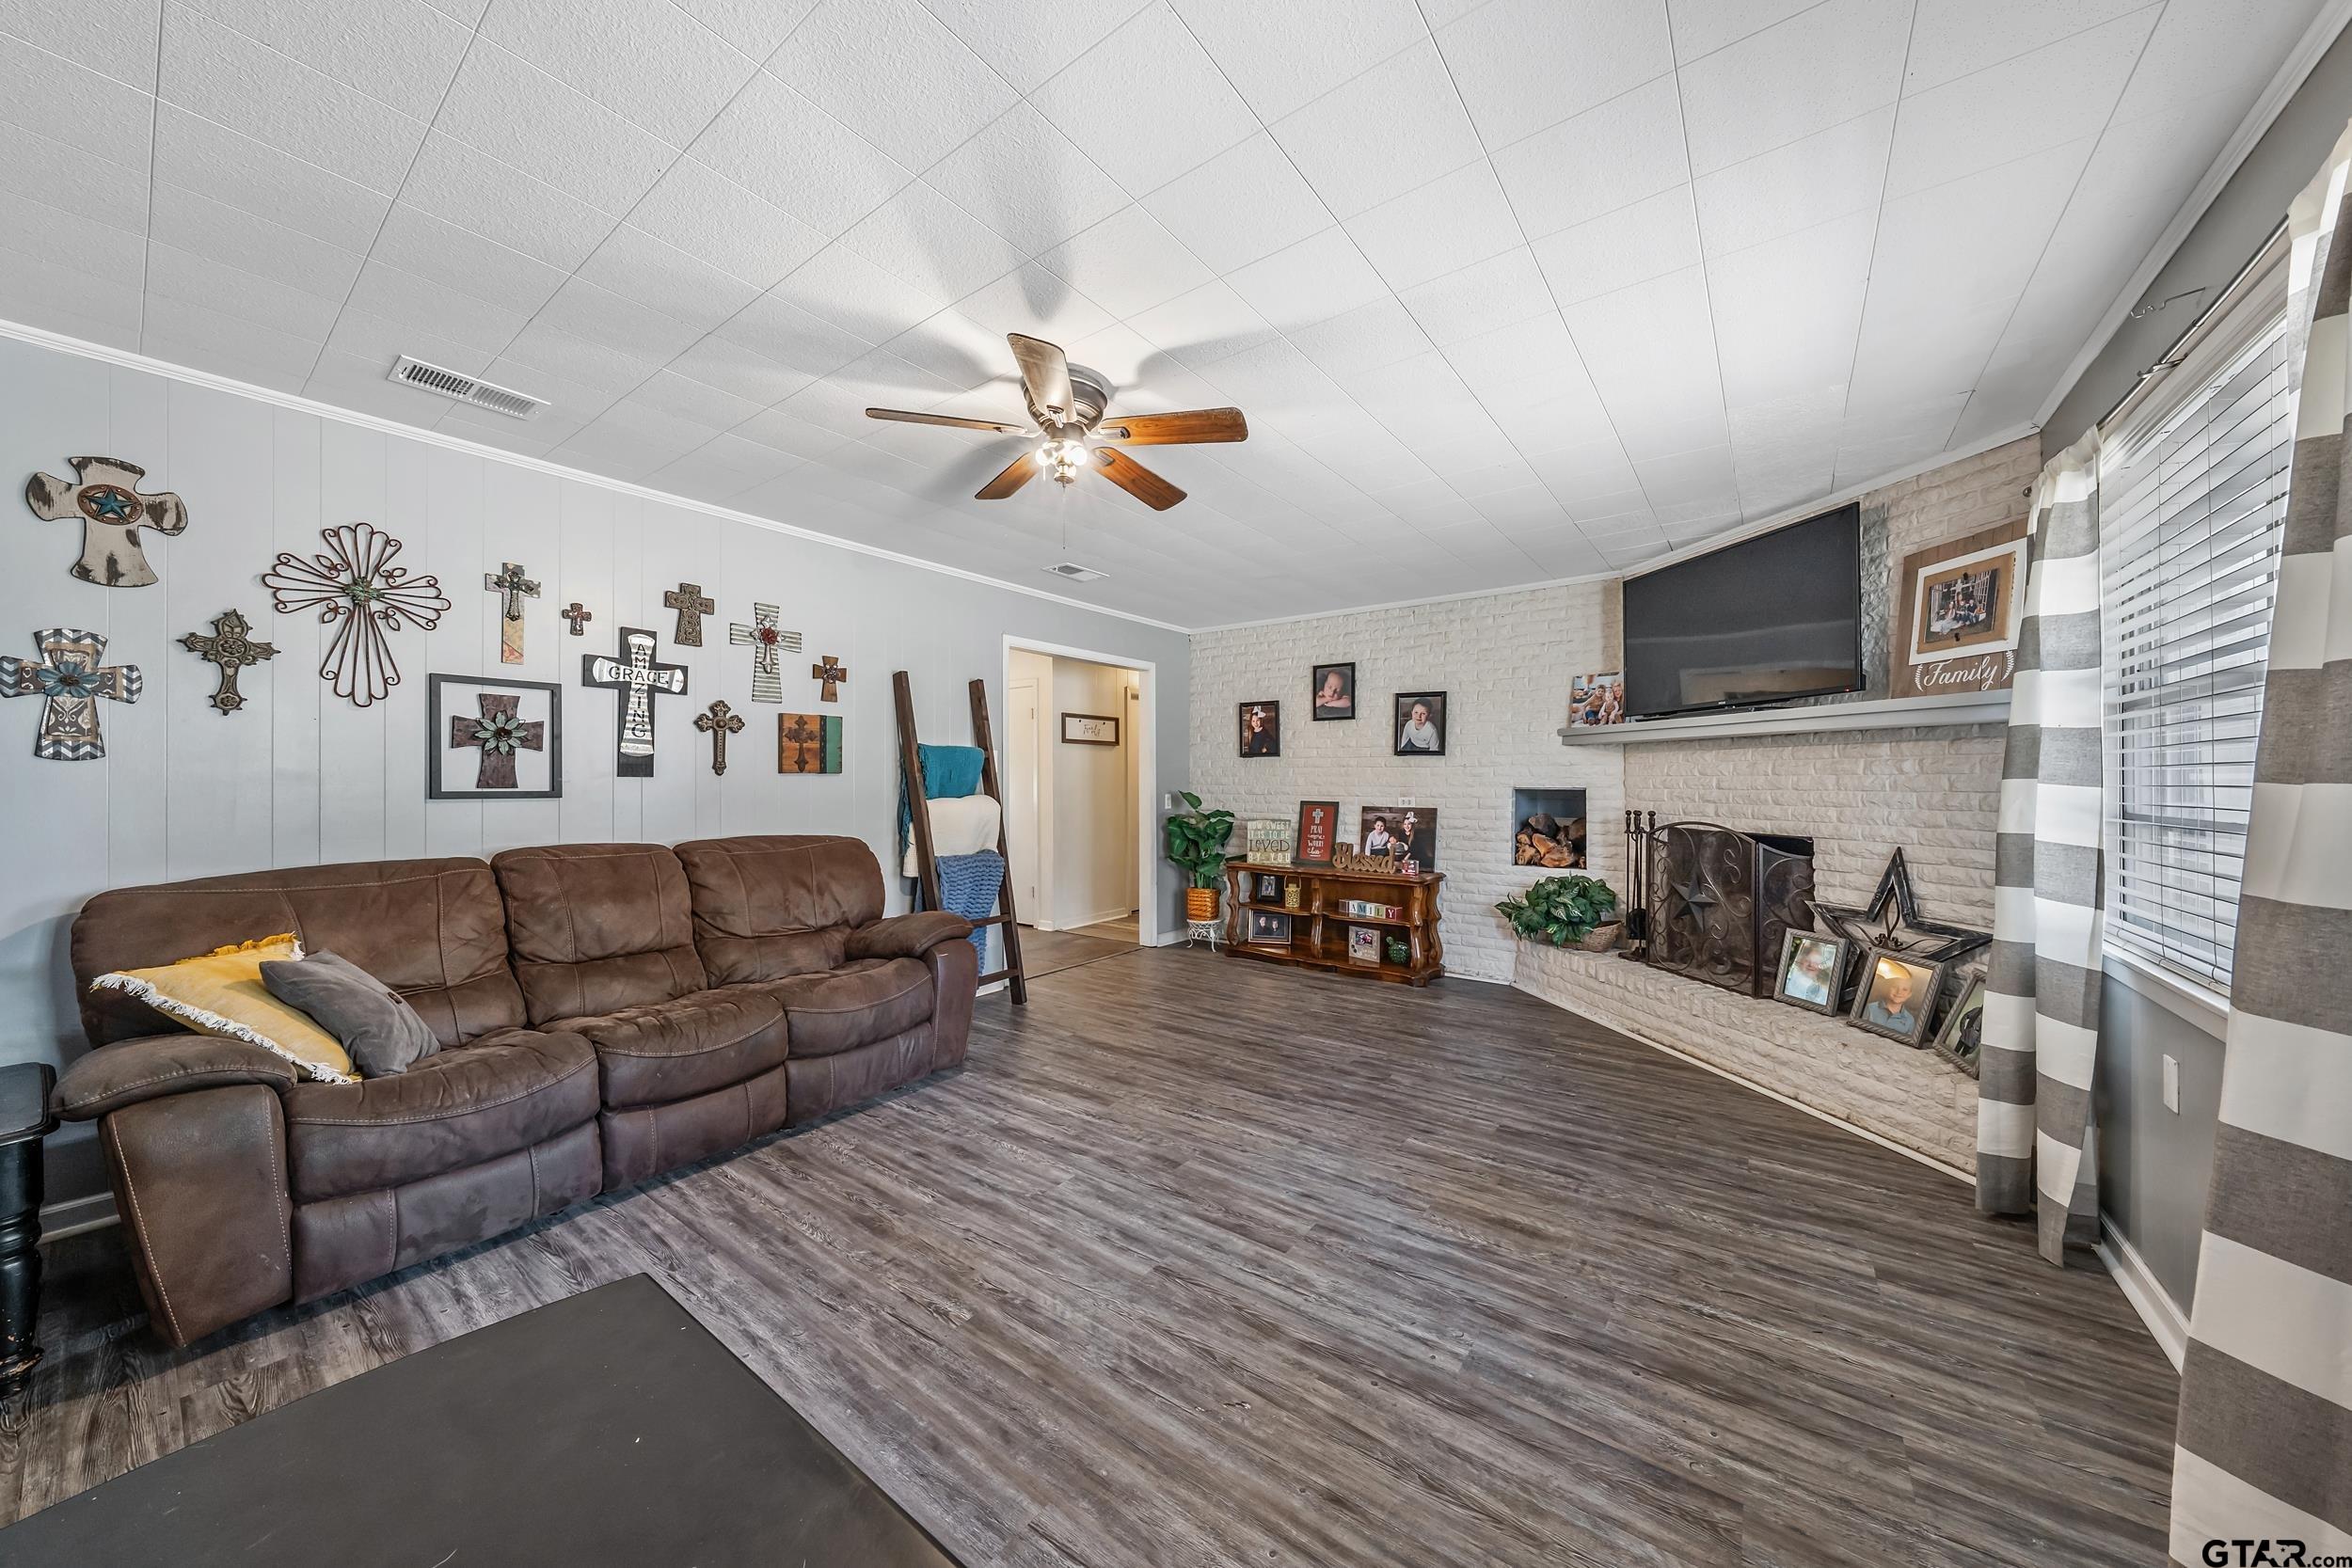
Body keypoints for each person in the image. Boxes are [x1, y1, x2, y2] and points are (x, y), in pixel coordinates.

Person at [1862, 964, 1920, 1033]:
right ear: (1888, 988)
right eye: (1895, 987)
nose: (1899, 992)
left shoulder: (1910, 1020)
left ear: (1909, 994)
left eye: (1904, 989)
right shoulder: (1870, 1008)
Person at [1783, 941, 1836, 1006]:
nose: (1811, 964)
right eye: (1807, 960)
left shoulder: (1826, 990)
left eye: (1816, 962)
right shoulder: (1789, 981)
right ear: (1801, 961)